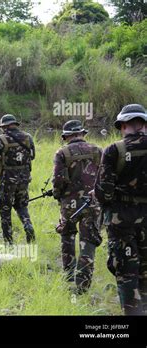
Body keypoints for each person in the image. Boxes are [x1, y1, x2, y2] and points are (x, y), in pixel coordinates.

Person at [94, 104, 147, 315]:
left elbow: (103, 193)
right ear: (143, 124)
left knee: (126, 272)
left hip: (121, 220)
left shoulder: (115, 150)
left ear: (124, 125)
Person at [52, 120, 103, 294]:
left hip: (69, 204)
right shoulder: (98, 150)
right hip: (93, 201)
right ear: (82, 133)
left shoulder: (62, 152)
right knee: (88, 241)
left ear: (66, 136)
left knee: (67, 236)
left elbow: (58, 180)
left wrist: (58, 196)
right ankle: (83, 285)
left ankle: (68, 275)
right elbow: (104, 178)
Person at [0, 114, 35, 245]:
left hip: (7, 180)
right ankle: (28, 225)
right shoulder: (28, 137)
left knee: (5, 209)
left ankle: (8, 241)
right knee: (22, 205)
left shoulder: (0, 140)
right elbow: (32, 156)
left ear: (4, 127)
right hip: (24, 178)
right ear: (15, 124)